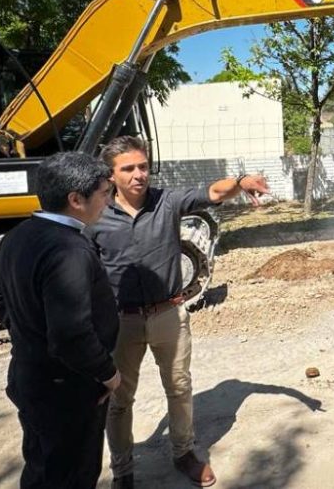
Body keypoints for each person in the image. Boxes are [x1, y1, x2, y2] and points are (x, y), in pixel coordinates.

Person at [89, 135, 271, 489]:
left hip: (167, 315)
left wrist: (240, 181)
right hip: (120, 321)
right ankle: (123, 470)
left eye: (143, 166)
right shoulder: (96, 215)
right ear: (111, 175)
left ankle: (184, 453)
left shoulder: (166, 201)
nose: (139, 175)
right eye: (128, 169)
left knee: (179, 387)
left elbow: (214, 193)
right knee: (119, 398)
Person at [0, 152, 120, 489]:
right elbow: (72, 335)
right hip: (67, 389)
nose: (108, 201)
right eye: (103, 193)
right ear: (76, 199)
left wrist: (28, 331)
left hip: (32, 377)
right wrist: (109, 375)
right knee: (71, 474)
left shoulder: (21, 234)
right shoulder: (69, 250)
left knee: (43, 466)